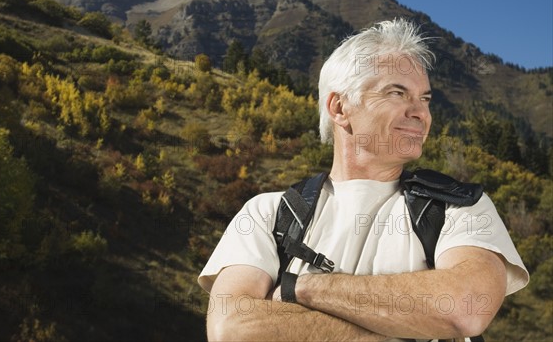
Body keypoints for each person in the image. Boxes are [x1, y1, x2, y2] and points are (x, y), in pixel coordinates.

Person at [198, 19, 529, 342]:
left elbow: (466, 308)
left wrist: (298, 288)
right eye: (397, 92)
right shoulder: (268, 214)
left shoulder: (459, 206)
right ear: (340, 107)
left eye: (425, 98)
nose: (420, 112)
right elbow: (233, 329)